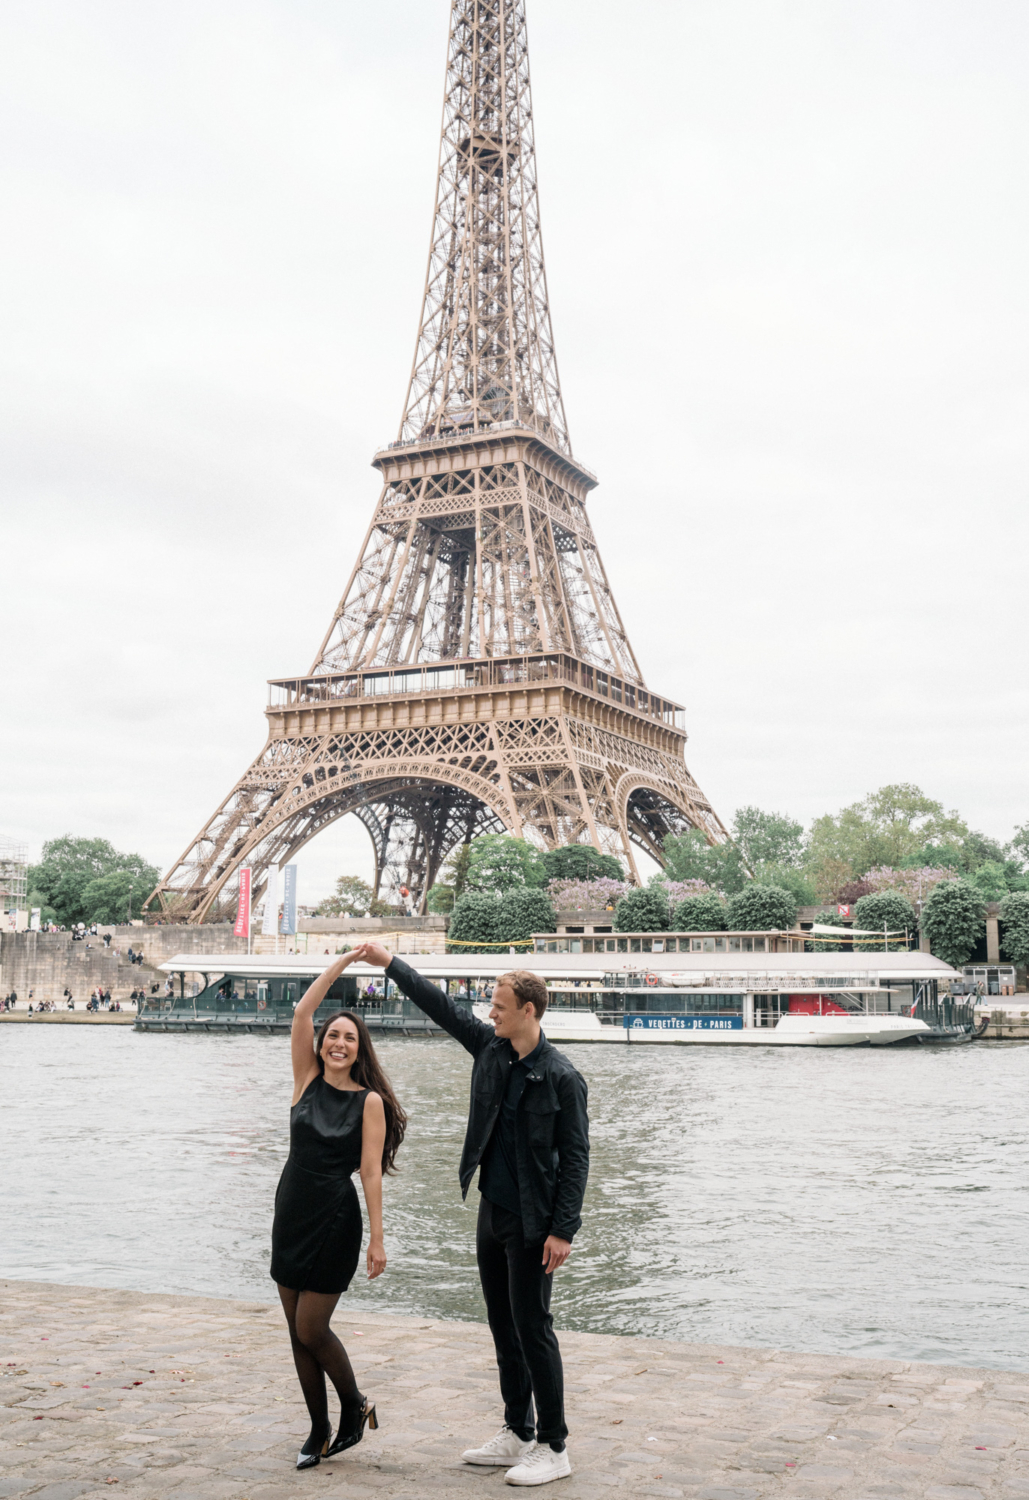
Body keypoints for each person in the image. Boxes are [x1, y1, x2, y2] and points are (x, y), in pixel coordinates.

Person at [352, 943, 589, 1488]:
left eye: (500, 1006)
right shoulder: (490, 1049)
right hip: (492, 1210)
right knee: (503, 1325)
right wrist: (391, 964)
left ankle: (554, 1445)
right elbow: (439, 1005)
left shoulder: (562, 1077)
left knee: (535, 1328)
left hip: (536, 1221)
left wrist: (563, 1229)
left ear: (528, 1010)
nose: (490, 1013)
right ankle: (517, 1430)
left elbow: (576, 1158)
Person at [271, 952, 407, 1472]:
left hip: (335, 1219)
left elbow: (371, 1173)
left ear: (359, 1049)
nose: (338, 1043)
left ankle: (353, 1404)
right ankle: (317, 1428)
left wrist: (377, 1239)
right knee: (294, 1332)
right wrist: (345, 960)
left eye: (350, 1038)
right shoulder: (305, 1077)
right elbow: (302, 1013)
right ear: (322, 1043)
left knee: (311, 1328)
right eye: (333, 1035)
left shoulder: (369, 1102)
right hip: (290, 1212)